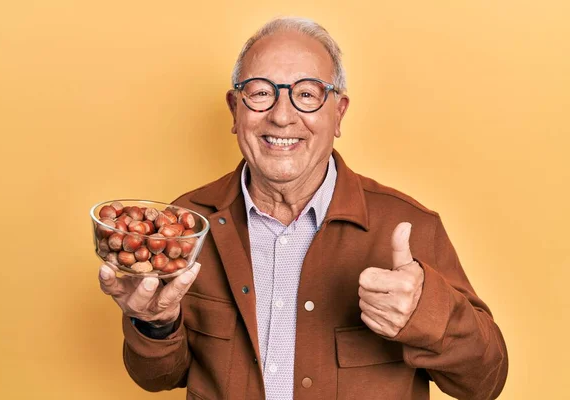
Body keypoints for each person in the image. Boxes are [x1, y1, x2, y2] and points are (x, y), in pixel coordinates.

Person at [98, 17, 508, 400]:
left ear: (339, 113)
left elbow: (485, 382)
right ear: (234, 110)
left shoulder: (409, 226)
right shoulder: (188, 224)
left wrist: (427, 315)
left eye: (307, 94)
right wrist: (155, 323)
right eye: (260, 92)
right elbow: (157, 378)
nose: (281, 116)